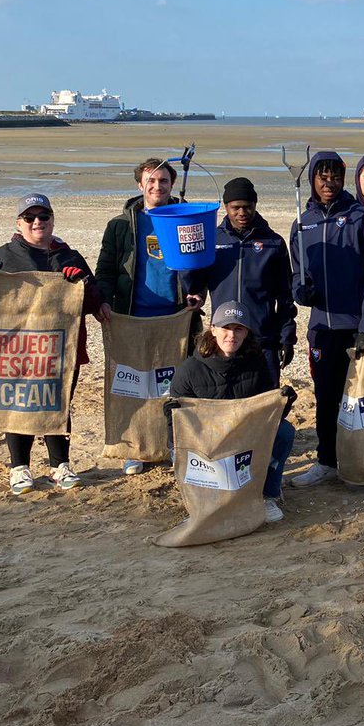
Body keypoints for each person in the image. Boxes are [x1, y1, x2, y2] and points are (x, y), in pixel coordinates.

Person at [0, 194, 110, 494]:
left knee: (58, 403)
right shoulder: (3, 255)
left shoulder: (70, 257)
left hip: (60, 349)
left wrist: (81, 283)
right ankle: (20, 468)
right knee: (18, 402)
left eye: (44, 217)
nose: (37, 222)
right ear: (19, 223)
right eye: (30, 218)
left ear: (53, 220)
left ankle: (60, 465)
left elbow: (94, 303)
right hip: (15, 348)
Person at [289, 150, 364, 487]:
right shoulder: (303, 224)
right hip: (322, 328)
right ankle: (327, 460)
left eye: (334, 176)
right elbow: (298, 272)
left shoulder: (359, 217)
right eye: (322, 176)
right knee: (326, 395)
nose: (328, 182)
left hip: (355, 326)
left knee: (363, 398)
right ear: (313, 180)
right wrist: (300, 292)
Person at [95, 157, 196, 475]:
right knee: (135, 387)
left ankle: (171, 444)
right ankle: (136, 449)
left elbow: (201, 264)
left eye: (163, 181)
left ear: (171, 185)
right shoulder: (121, 225)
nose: (157, 186)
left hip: (176, 318)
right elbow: (106, 269)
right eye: (150, 181)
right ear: (140, 185)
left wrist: (198, 291)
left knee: (173, 386)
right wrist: (102, 300)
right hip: (132, 317)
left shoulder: (186, 219)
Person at [168, 301, 295, 523]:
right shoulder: (189, 370)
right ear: (213, 329)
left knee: (284, 432)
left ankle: (267, 495)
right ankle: (200, 499)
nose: (231, 335)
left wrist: (284, 403)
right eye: (226, 328)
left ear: (246, 332)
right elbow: (175, 432)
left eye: (238, 329)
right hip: (207, 443)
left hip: (244, 437)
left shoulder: (256, 363)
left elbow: (267, 415)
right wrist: (173, 417)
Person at [181, 177, 297, 385]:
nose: (242, 213)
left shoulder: (274, 243)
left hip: (263, 340)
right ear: (226, 207)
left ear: (255, 205)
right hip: (224, 339)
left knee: (265, 405)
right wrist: (186, 257)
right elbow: (195, 285)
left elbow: (285, 297)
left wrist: (287, 337)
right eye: (236, 208)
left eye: (248, 207)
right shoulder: (213, 240)